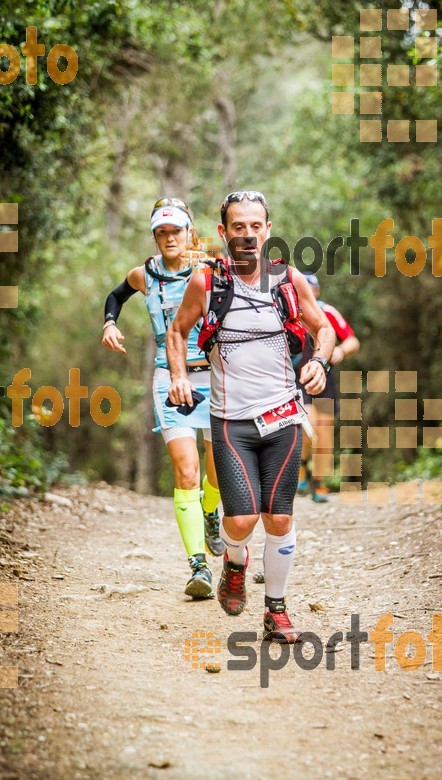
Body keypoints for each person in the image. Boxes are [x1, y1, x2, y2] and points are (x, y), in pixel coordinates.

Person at [166, 190, 335, 642]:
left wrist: (320, 361)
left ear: (267, 230)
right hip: (230, 421)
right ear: (223, 233)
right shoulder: (206, 284)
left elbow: (323, 328)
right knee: (240, 522)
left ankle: (276, 610)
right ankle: (234, 563)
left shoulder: (287, 279)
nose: (247, 235)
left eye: (255, 226)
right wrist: (179, 377)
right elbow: (178, 331)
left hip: (283, 416)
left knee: (279, 518)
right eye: (238, 227)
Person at [101, 197, 224, 600]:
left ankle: (210, 513)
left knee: (217, 471)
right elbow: (115, 296)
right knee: (186, 472)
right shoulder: (145, 274)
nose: (169, 237)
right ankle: (198, 567)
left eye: (176, 230)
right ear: (155, 236)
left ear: (190, 231)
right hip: (168, 379)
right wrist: (109, 324)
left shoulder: (209, 270)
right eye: (162, 232)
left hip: (213, 375)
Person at [296, 272, 360, 503]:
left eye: (312, 288)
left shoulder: (328, 312)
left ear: (317, 291)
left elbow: (352, 339)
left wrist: (341, 351)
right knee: (307, 427)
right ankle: (301, 469)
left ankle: (318, 483)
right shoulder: (288, 312)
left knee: (323, 434)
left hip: (325, 379)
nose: (308, 293)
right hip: (297, 379)